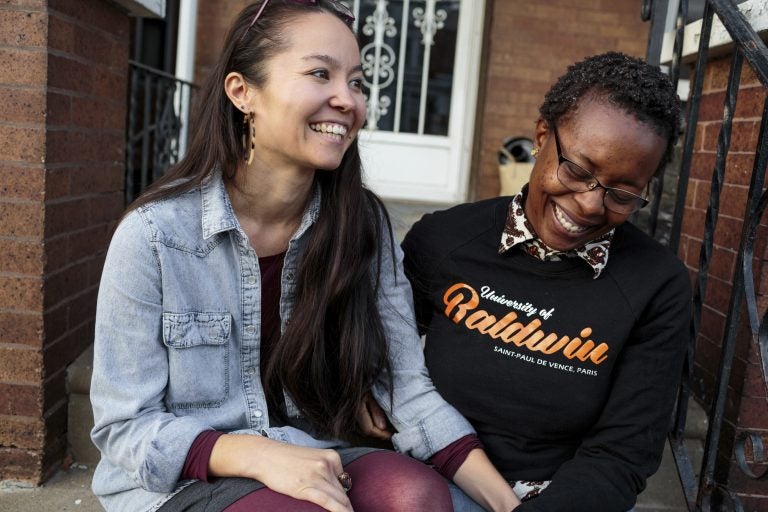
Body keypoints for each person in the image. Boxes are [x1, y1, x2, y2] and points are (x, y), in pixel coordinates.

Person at [89, 1, 521, 511]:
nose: (348, 100)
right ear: (242, 92)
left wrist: (507, 505)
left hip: (315, 450)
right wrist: (255, 455)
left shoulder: (360, 226)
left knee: (417, 496)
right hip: (187, 479)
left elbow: (407, 390)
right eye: (320, 73)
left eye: (357, 81)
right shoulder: (155, 234)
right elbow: (124, 426)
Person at [396, 52, 690, 511]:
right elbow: (380, 370)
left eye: (623, 193)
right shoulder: (445, 240)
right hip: (429, 484)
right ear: (541, 137)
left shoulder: (657, 285)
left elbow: (623, 452)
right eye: (576, 170)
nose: (591, 205)